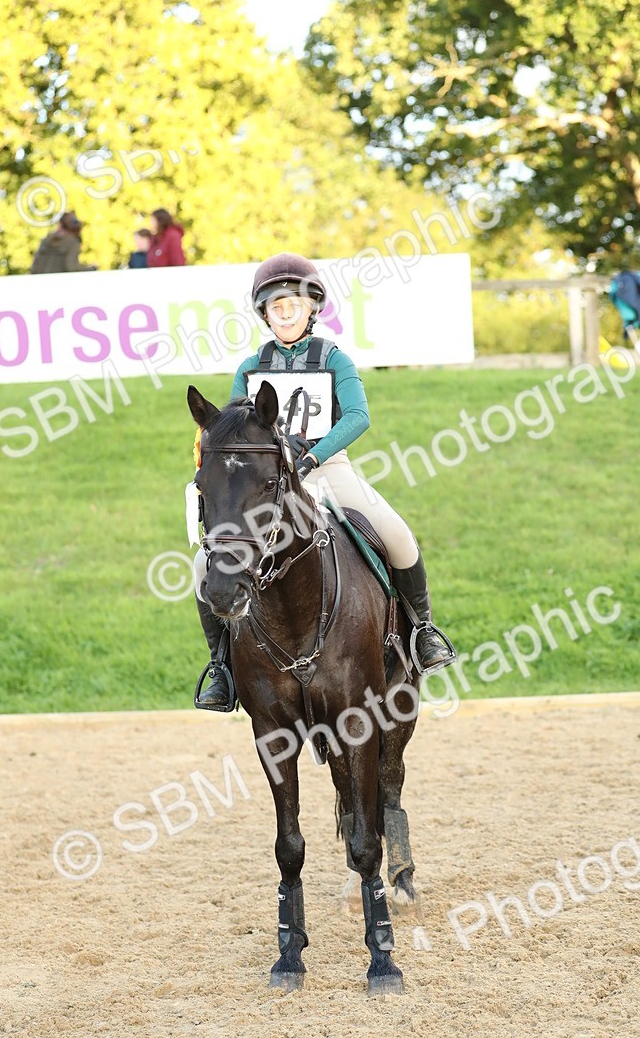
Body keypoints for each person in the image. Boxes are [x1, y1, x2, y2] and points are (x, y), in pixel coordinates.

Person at [193, 252, 455, 710]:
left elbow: (357, 416)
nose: (285, 313)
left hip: (328, 468)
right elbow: (232, 430)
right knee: (203, 564)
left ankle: (423, 631)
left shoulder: (335, 359)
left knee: (396, 534)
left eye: (294, 304)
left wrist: (313, 457)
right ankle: (221, 666)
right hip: (268, 480)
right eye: (276, 307)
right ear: (266, 314)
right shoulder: (250, 368)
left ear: (312, 307)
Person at [29, 212, 97, 274]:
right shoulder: (72, 242)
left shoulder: (46, 240)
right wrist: (92, 269)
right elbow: (72, 267)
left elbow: (35, 266)